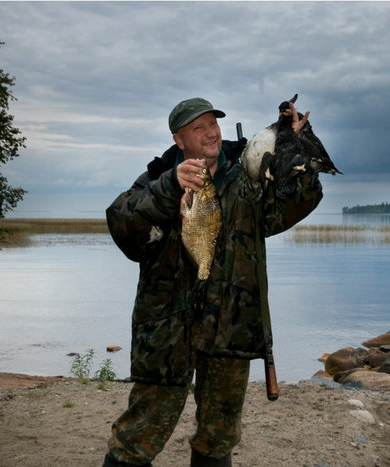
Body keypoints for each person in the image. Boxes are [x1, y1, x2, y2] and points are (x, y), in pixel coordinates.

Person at [103, 97, 323, 467]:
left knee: (219, 437)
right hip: (166, 332)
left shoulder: (248, 179)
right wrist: (170, 187)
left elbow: (299, 201)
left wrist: (294, 143)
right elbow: (124, 228)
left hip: (229, 327)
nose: (210, 133)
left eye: (213, 124)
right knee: (138, 435)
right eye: (198, 128)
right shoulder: (154, 181)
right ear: (179, 139)